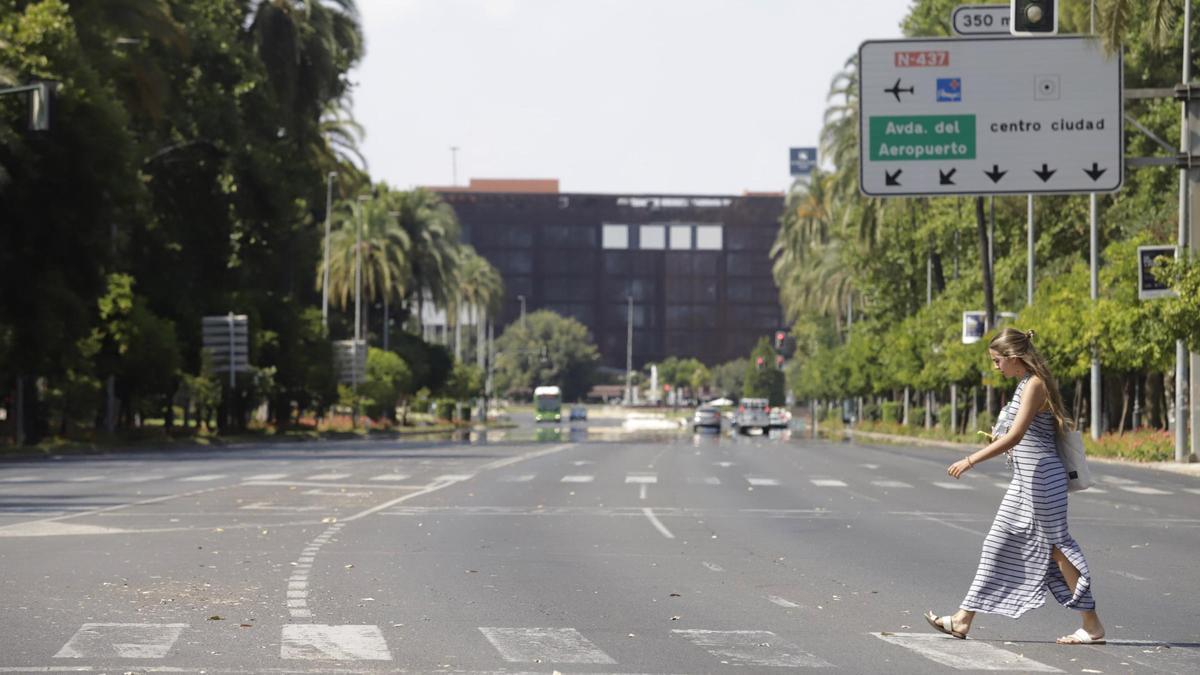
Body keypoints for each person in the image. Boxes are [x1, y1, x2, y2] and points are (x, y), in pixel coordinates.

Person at [924, 328, 1105, 645]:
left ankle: (1092, 625)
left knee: (1057, 548)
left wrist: (971, 459)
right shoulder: (1025, 385)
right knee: (996, 544)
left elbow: (1018, 435)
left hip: (1041, 479)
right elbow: (1020, 435)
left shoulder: (1035, 384)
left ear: (1013, 357)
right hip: (1025, 479)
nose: (995, 367)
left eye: (997, 361)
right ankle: (963, 620)